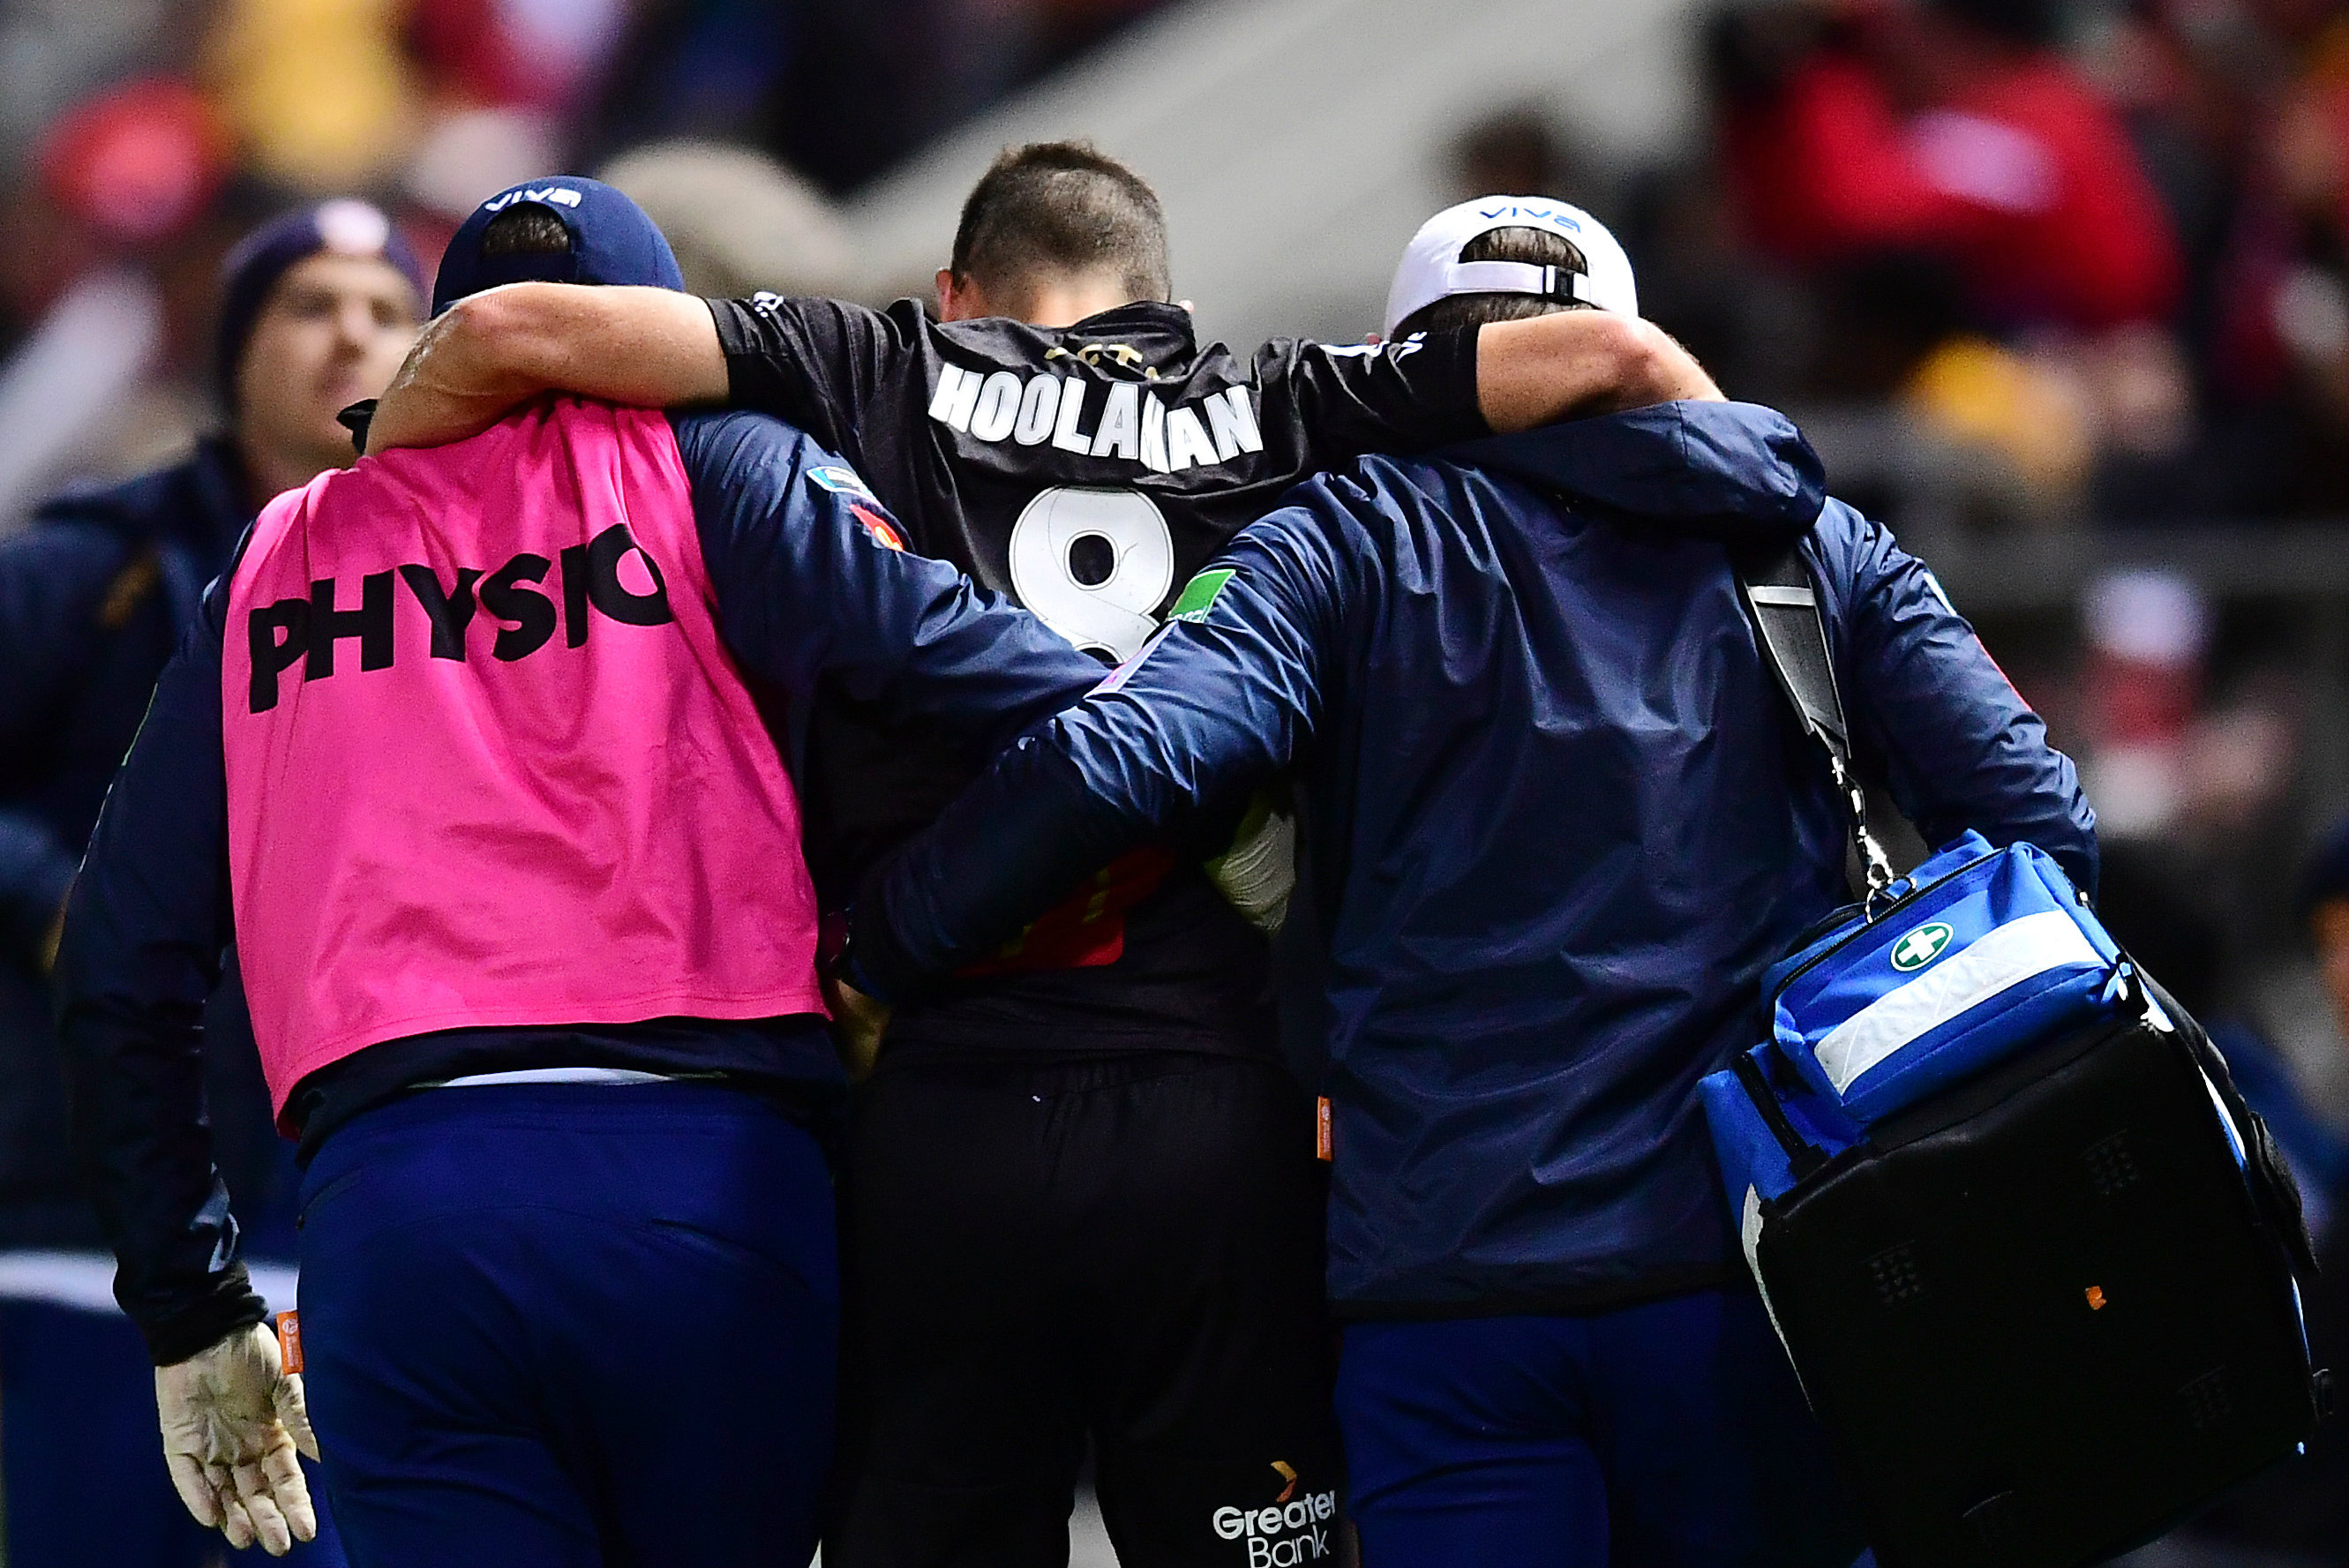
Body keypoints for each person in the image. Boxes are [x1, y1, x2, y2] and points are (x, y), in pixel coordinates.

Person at [359, 143, 1721, 1567]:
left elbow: (507, 328)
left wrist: (374, 480)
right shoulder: (1284, 395)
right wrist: (1777, 518)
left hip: (941, 1111)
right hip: (1218, 1116)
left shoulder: (872, 363)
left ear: (957, 293)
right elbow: (1614, 356)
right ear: (1161, 305)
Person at [837, 199, 2101, 1568]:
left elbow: (1123, 757)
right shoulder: (1802, 540)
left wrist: (883, 949)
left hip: (1447, 1301)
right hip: (1760, 1272)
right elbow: (2039, 820)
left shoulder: (1339, 540)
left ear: (1403, 358)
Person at [54, 177, 1104, 1567]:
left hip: (399, 1210)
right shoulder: (718, 462)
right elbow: (1023, 694)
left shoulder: (273, 557)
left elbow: (122, 964)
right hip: (709, 1183)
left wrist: (190, 1304)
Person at [0, 197, 424, 1568]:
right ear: (231, 347)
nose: (351, 333)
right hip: (86, 1229)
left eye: (383, 309)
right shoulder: (96, 568)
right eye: (310, 305)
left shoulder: (488, 580)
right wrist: (58, 898)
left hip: (352, 1206)